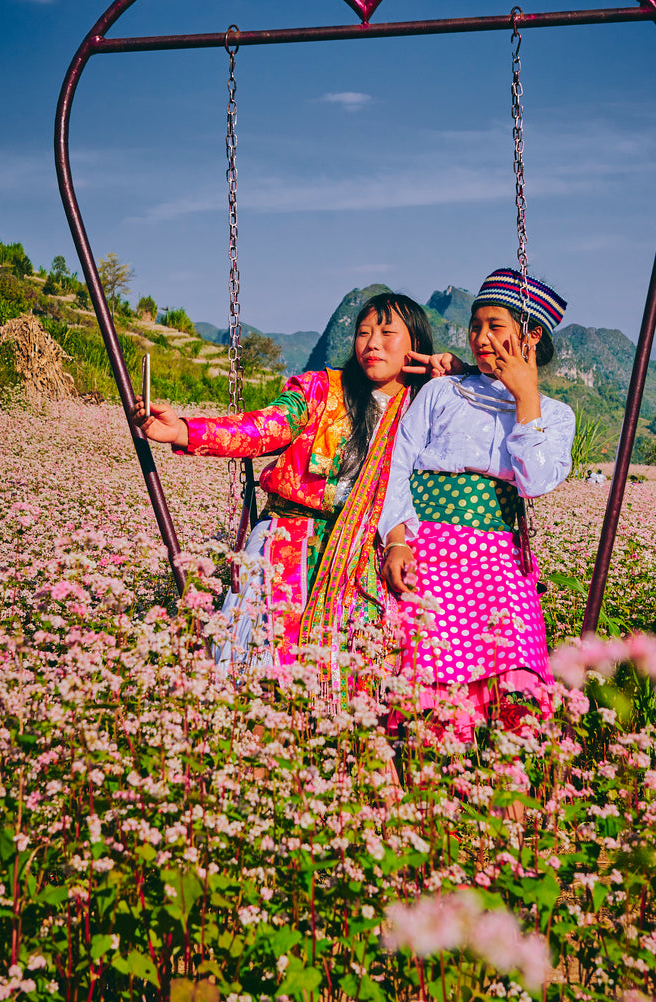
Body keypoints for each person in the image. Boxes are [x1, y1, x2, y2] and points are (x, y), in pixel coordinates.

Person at [134, 292, 449, 678]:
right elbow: (260, 428)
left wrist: (455, 373)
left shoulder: (430, 408)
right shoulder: (320, 390)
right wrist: (183, 430)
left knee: (356, 675)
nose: (372, 344)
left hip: (367, 556)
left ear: (415, 346)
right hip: (287, 541)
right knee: (257, 662)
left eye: (387, 332)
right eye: (363, 332)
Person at [379, 268, 576, 736]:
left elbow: (535, 482)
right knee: (430, 678)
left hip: (499, 560)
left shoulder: (555, 415)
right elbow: (397, 467)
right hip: (429, 550)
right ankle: (432, 786)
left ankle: (509, 793)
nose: (481, 337)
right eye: (475, 326)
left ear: (529, 338)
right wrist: (396, 541)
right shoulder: (442, 391)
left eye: (495, 326)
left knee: (514, 668)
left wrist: (525, 397)